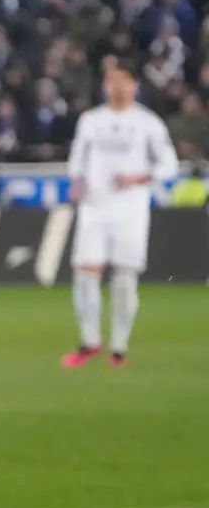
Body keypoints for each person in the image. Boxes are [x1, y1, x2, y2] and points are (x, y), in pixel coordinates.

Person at [62, 60, 179, 369]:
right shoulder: (91, 120)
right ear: (105, 85)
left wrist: (140, 178)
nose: (117, 86)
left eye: (123, 80)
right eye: (111, 80)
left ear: (134, 84)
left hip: (131, 208)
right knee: (85, 273)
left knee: (125, 277)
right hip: (94, 206)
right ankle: (90, 341)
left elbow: (169, 165)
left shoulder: (148, 123)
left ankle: (119, 346)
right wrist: (76, 182)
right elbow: (78, 156)